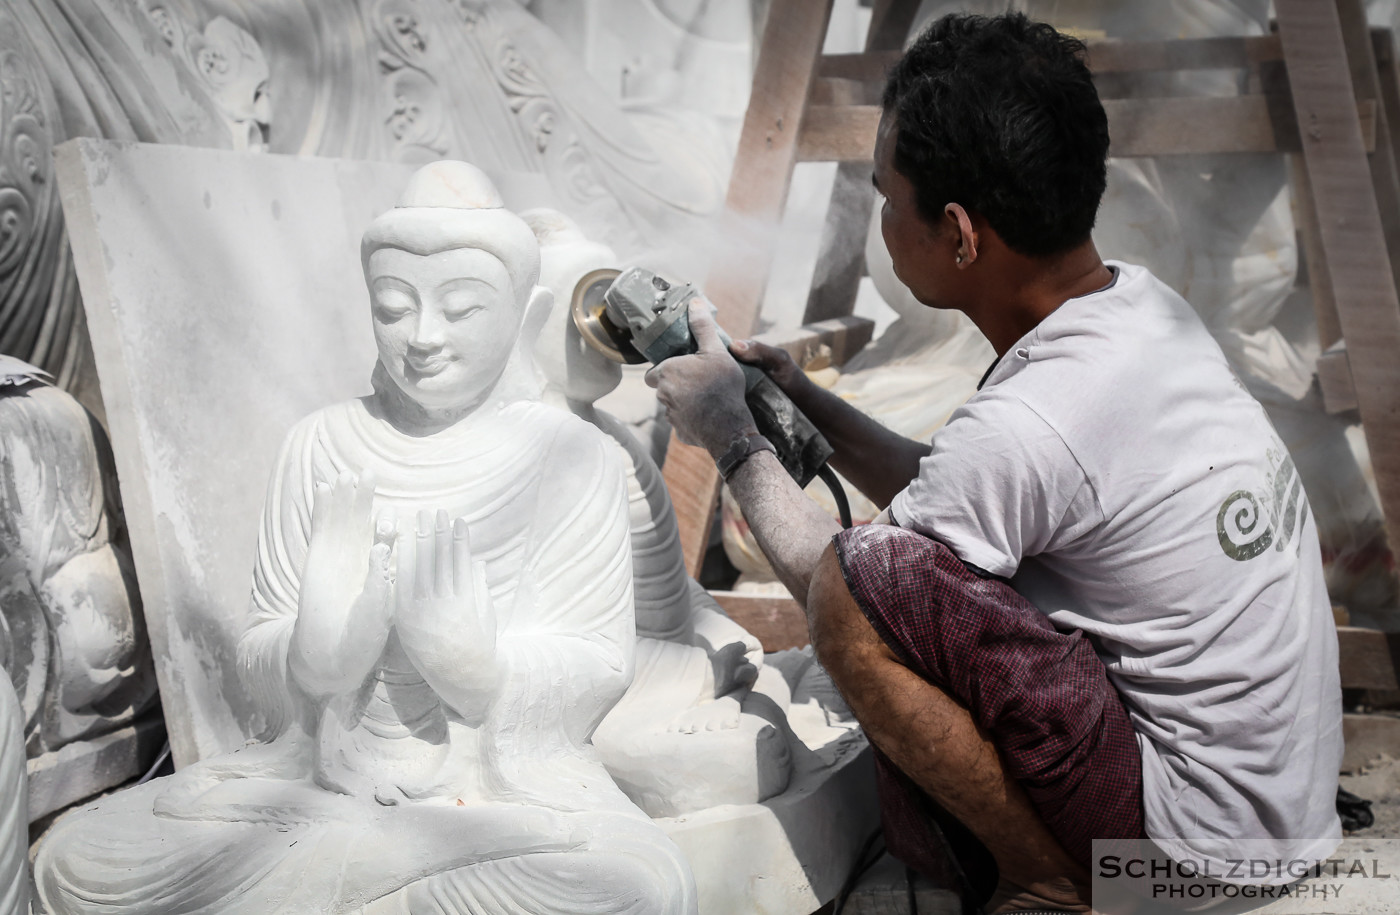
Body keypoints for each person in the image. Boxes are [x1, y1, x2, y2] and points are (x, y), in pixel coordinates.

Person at [646, 13, 1341, 912]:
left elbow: (844, 592)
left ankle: (1053, 884)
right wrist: (803, 397)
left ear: (962, 235)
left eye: (889, 197)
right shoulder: (1137, 311)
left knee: (866, 581)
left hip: (1188, 855)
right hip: (1275, 812)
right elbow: (972, 489)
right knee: (901, 573)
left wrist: (729, 435)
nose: (883, 218)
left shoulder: (1034, 419)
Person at [33, 161, 696, 915]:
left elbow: (600, 660)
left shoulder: (572, 457)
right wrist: (312, 655)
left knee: (637, 888)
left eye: (462, 309)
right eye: (392, 307)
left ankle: (366, 880)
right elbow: (262, 656)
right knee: (73, 862)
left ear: (526, 316)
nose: (422, 337)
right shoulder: (318, 445)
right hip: (316, 790)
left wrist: (479, 667)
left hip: (492, 805)